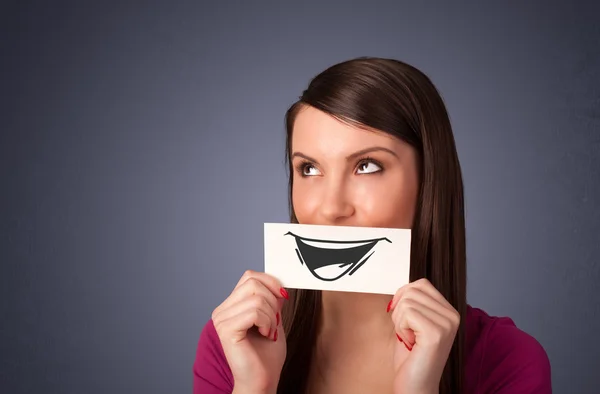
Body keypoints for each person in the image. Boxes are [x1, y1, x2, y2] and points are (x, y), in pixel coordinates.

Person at [192, 57, 552, 394]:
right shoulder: (235, 341)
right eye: (309, 168)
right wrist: (254, 385)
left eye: (367, 166)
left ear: (429, 183)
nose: (331, 207)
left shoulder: (507, 360)